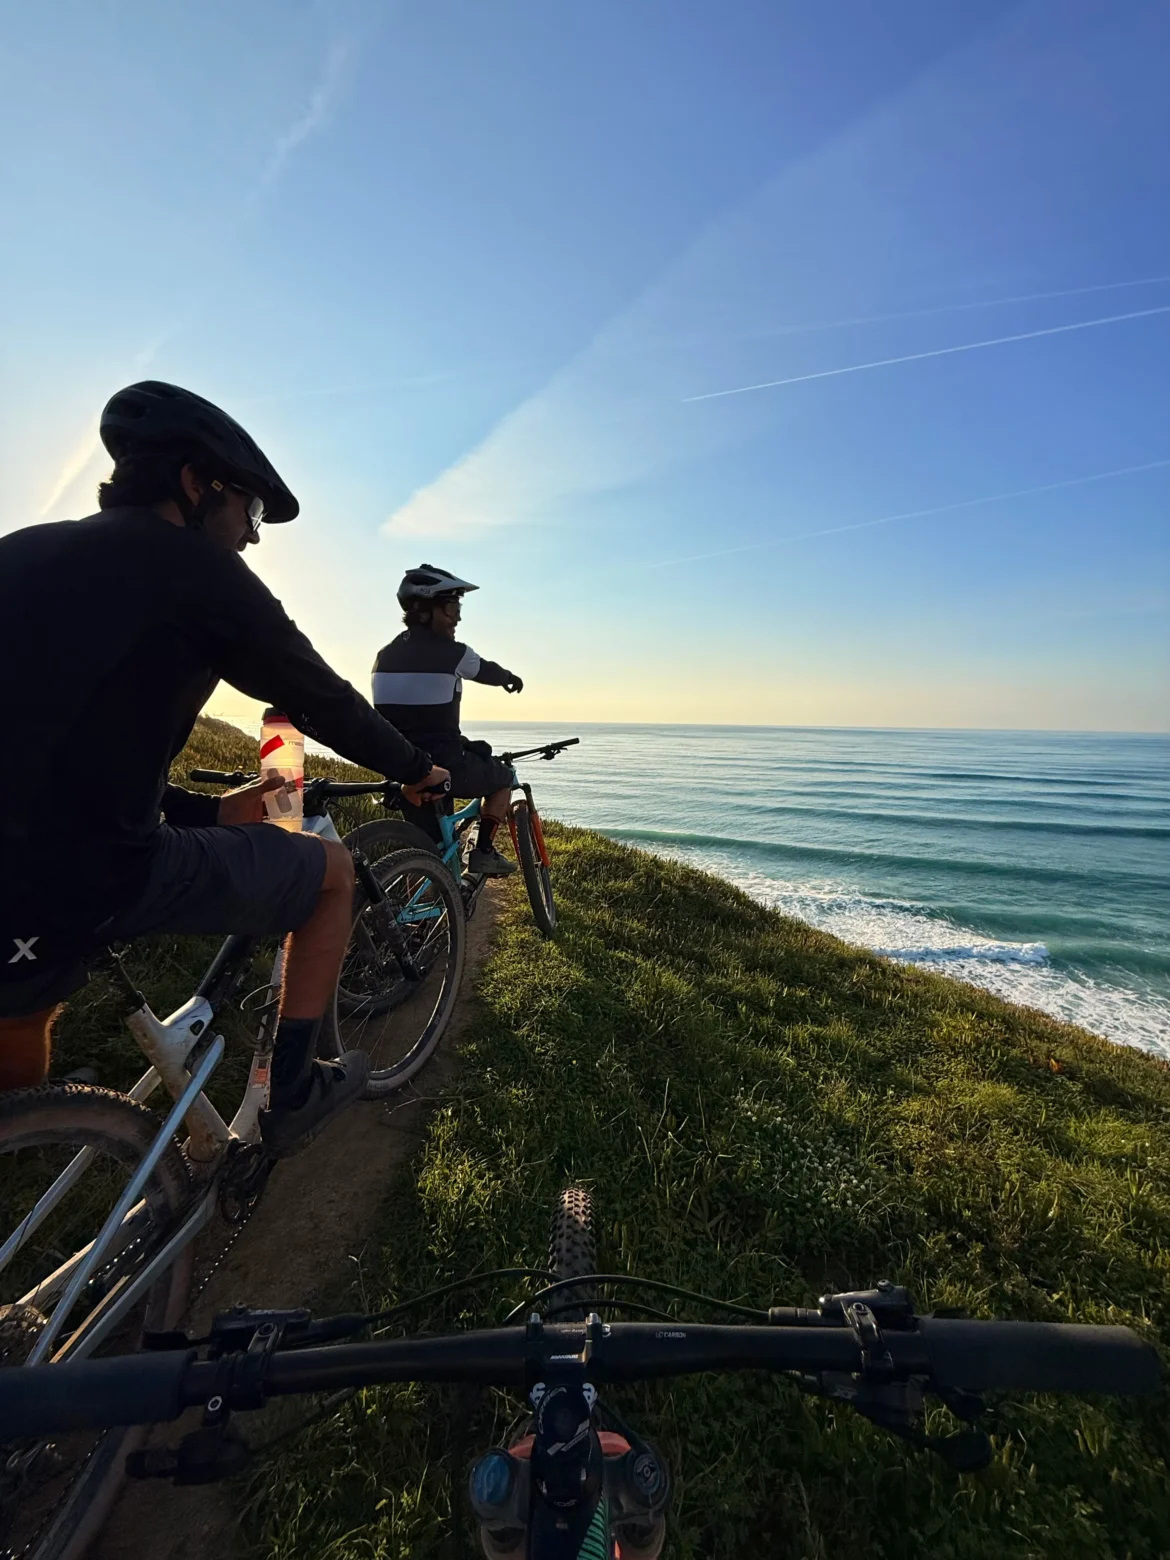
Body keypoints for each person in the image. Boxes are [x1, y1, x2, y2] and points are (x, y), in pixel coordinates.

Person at [0, 381, 450, 1156]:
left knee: (20, 1002)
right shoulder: (193, 571)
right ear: (196, 483)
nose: (252, 535)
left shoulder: (22, 550)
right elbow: (319, 699)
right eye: (251, 510)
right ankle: (296, 1092)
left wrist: (205, 812)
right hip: (88, 871)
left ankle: (27, 1140)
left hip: (20, 879)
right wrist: (417, 769)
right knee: (334, 872)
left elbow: (52, 747)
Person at [372, 566, 524, 876]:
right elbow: (486, 670)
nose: (457, 618)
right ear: (425, 612)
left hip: (403, 769)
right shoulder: (454, 653)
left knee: (428, 854)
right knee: (504, 778)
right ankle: (483, 852)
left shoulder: (383, 657)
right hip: (444, 767)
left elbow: (410, 722)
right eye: (452, 608)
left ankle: (422, 920)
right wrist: (509, 678)